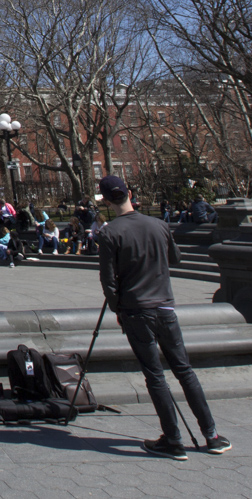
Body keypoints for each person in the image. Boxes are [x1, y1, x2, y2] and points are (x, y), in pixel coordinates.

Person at [96, 175, 230, 459]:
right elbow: (176, 259)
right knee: (185, 370)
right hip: (165, 307)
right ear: (130, 193)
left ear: (106, 200)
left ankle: (173, 439)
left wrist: (118, 308)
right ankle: (212, 435)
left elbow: (108, 282)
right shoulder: (159, 224)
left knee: (155, 375)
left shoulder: (109, 233)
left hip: (136, 310)